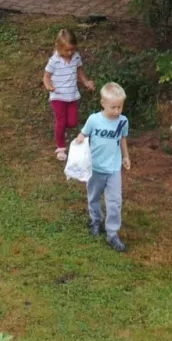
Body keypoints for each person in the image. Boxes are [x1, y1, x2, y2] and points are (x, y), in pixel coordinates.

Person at [72, 82, 130, 252]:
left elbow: (123, 139)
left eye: (120, 107)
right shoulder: (94, 120)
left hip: (113, 169)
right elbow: (83, 133)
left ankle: (112, 233)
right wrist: (80, 138)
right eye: (113, 107)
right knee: (94, 196)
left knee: (115, 202)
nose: (117, 111)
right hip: (95, 168)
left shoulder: (123, 121)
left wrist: (126, 156)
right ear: (103, 103)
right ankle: (95, 220)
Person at [42, 28, 95, 160]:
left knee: (72, 122)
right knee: (61, 122)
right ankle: (60, 148)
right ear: (58, 47)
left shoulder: (76, 57)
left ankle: (61, 131)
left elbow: (80, 72)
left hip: (72, 95)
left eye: (72, 49)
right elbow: (46, 76)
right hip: (58, 95)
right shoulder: (54, 60)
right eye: (66, 50)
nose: (70, 52)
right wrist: (48, 86)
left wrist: (86, 82)